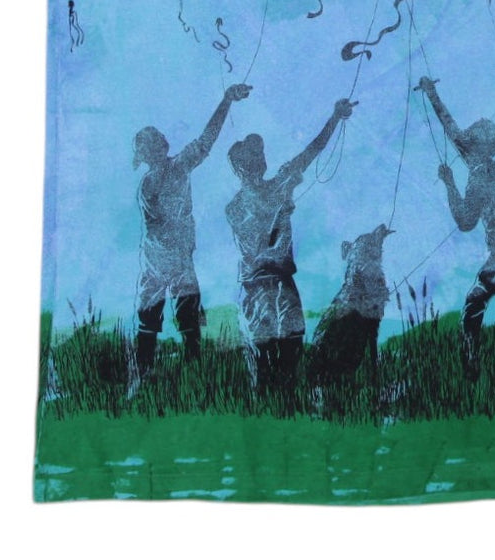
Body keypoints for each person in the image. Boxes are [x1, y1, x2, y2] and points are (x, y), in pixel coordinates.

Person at [225, 97, 356, 406]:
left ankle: (285, 410)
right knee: (263, 359)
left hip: (281, 284)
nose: (259, 161)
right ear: (240, 167)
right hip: (257, 288)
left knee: (291, 351)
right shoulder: (236, 207)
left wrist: (335, 118)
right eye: (253, 157)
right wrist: (281, 216)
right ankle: (267, 414)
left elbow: (310, 152)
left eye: (260, 155)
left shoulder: (277, 186)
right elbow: (259, 251)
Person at [416, 76, 495, 378]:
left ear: (481, 147)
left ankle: (471, 368)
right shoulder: (493, 168)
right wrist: (432, 93)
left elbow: (466, 222)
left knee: (475, 306)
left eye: (471, 141)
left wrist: (449, 184)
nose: (464, 143)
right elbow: (452, 130)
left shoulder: (480, 176)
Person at [133, 82, 251, 372]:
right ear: (152, 151)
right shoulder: (167, 173)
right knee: (171, 319)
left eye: (160, 139)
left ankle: (159, 373)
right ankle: (164, 373)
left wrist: (226, 101)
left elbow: (206, 140)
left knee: (164, 320)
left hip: (165, 258)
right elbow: (205, 141)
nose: (162, 142)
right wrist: (226, 100)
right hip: (167, 258)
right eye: (156, 142)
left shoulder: (166, 172)